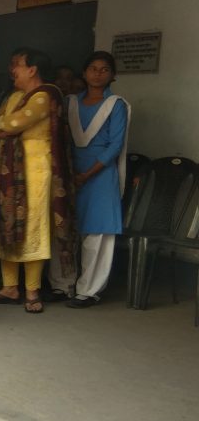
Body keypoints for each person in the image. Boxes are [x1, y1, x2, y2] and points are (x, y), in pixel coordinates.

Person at [0, 48, 76, 313]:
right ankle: (9, 287)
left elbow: (10, 125)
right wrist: (4, 125)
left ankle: (32, 291)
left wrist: (5, 126)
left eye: (18, 65)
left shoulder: (45, 95)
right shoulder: (14, 96)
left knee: (33, 228)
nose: (13, 70)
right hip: (9, 172)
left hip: (36, 172)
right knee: (8, 223)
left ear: (32, 69)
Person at [65, 51, 130, 308]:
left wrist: (86, 174)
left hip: (100, 173)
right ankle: (62, 284)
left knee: (97, 232)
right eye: (93, 68)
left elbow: (115, 145)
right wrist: (71, 172)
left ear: (113, 75)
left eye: (105, 69)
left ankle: (89, 290)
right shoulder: (71, 103)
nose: (98, 73)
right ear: (84, 73)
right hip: (71, 171)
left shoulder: (116, 105)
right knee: (66, 227)